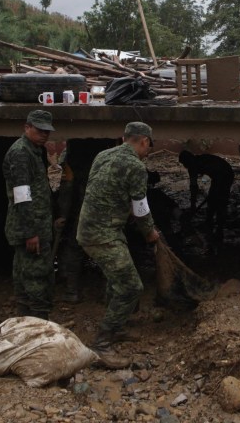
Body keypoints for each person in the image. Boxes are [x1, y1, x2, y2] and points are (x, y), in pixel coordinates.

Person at [76, 122, 160, 367]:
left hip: (90, 228)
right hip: (103, 235)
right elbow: (140, 207)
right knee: (131, 286)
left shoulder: (103, 155)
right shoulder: (136, 166)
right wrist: (150, 233)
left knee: (117, 278)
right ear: (143, 141)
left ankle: (118, 327)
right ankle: (102, 344)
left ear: (124, 138)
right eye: (148, 146)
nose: (148, 151)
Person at [3, 109, 56, 320]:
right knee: (37, 273)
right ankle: (39, 320)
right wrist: (30, 232)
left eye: (47, 131)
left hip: (37, 223)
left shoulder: (35, 150)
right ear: (27, 128)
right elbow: (22, 195)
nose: (44, 135)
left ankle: (25, 316)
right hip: (30, 226)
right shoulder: (21, 153)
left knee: (24, 270)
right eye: (39, 130)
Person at [178, 150, 234, 235]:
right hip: (217, 176)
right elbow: (194, 186)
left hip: (226, 174)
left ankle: (219, 228)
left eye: (184, 163)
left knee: (221, 201)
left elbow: (219, 175)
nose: (184, 166)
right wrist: (193, 204)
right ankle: (209, 222)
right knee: (212, 200)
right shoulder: (194, 165)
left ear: (188, 161)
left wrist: (215, 191)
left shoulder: (200, 163)